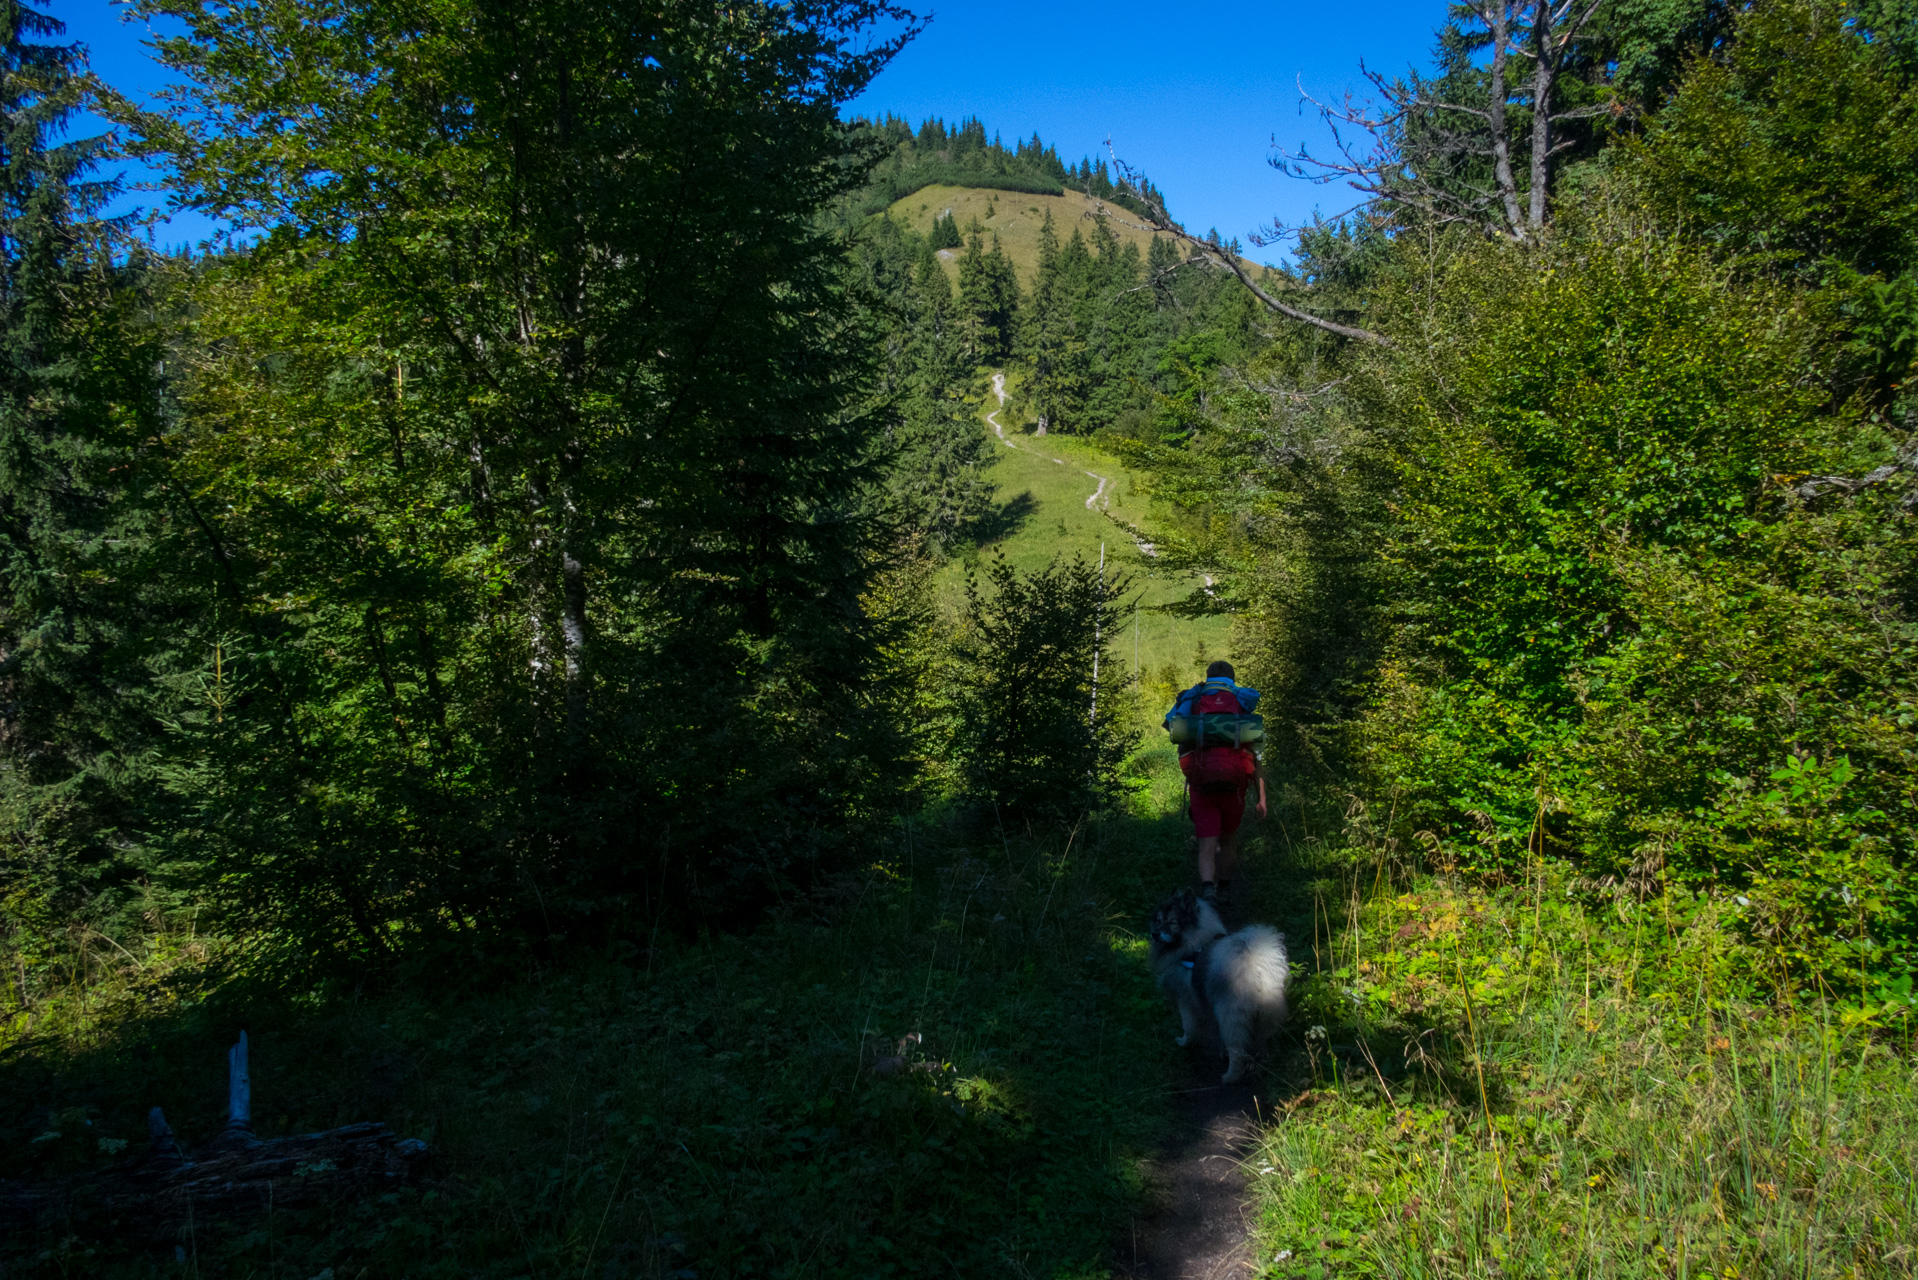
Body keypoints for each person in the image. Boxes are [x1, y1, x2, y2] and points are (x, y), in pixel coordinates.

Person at [1168, 660, 1267, 906]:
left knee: (1206, 843)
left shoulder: (1194, 698)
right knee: (1228, 838)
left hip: (1202, 784)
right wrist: (1262, 798)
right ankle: (1224, 888)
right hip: (1235, 785)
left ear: (1208, 676)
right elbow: (1257, 757)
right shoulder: (1242, 702)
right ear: (1232, 678)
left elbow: (1172, 728)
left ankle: (1208, 891)